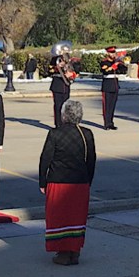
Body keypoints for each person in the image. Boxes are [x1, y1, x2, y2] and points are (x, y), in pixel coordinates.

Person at [39, 99, 97, 265]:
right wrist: (88, 181)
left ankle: (63, 252)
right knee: (76, 217)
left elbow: (45, 159)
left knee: (59, 217)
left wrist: (42, 181)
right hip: (80, 183)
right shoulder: (86, 134)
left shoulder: (55, 134)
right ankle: (74, 250)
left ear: (64, 115)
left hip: (58, 182)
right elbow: (91, 160)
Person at [98, 47, 127, 130]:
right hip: (107, 85)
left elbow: (123, 70)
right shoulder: (104, 62)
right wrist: (114, 65)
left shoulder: (116, 61)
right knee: (106, 106)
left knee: (112, 106)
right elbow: (106, 71)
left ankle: (111, 123)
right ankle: (106, 124)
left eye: (114, 53)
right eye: (111, 53)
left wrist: (122, 63)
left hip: (114, 85)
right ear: (108, 53)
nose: (113, 54)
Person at [49, 54, 72, 128]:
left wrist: (71, 74)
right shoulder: (54, 59)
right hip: (57, 86)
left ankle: (65, 123)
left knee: (66, 107)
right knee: (58, 106)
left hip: (66, 86)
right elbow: (50, 71)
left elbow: (74, 70)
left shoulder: (68, 59)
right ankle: (58, 124)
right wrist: (58, 66)